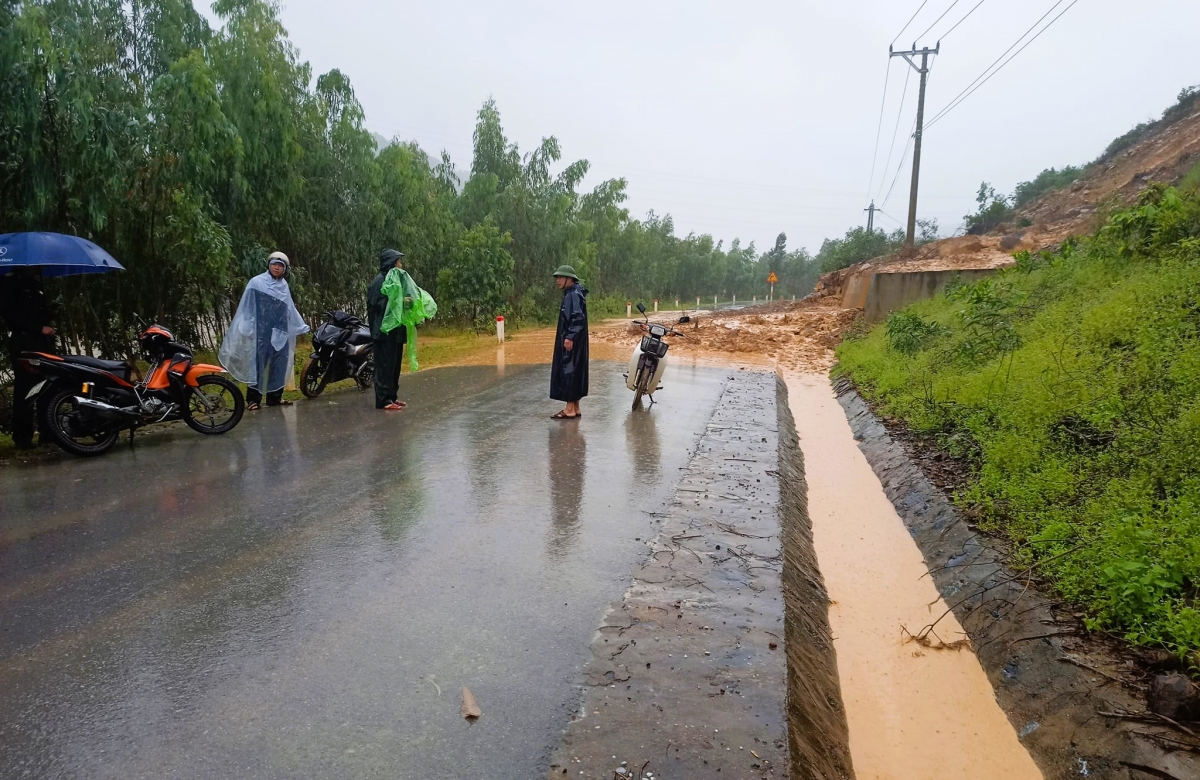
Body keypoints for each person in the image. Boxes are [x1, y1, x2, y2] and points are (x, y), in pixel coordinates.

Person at [219, 252, 308, 410]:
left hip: (281, 331)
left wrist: (298, 325)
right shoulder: (256, 283)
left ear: (285, 269)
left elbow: (289, 309)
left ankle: (274, 398)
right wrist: (248, 327)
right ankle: (253, 400)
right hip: (261, 331)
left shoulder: (284, 286)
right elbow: (248, 307)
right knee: (258, 366)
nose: (277, 267)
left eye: (281, 266)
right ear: (269, 264)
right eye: (274, 264)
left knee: (279, 366)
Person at [0, 267, 56, 448]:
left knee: (47, 385)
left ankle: (48, 432)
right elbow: (10, 315)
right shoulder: (10, 282)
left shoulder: (35, 283)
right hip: (24, 341)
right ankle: (23, 437)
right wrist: (38, 328)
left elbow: (36, 311)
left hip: (42, 342)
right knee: (26, 387)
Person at [367, 249, 409, 411]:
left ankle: (392, 396)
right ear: (391, 263)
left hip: (396, 333)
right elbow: (377, 305)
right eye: (399, 261)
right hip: (383, 333)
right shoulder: (380, 282)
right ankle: (383, 400)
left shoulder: (396, 281)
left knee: (394, 366)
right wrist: (397, 300)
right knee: (384, 367)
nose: (401, 265)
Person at [549, 265, 588, 419]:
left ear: (569, 279)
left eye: (560, 277)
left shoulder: (573, 294)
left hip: (572, 340)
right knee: (575, 370)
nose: (558, 280)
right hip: (577, 340)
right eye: (557, 278)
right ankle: (576, 407)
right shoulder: (575, 293)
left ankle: (569, 409)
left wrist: (570, 336)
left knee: (569, 370)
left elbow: (577, 317)